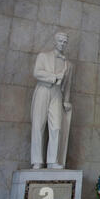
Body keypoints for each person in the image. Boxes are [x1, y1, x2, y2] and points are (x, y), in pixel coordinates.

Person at [30, 32, 73, 169]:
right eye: (60, 41)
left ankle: (52, 160)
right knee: (38, 125)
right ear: (55, 41)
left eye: (65, 42)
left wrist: (66, 100)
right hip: (43, 90)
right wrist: (53, 77)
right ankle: (37, 160)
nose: (62, 44)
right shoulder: (43, 56)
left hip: (57, 94)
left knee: (56, 126)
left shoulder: (68, 64)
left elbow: (68, 84)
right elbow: (37, 72)